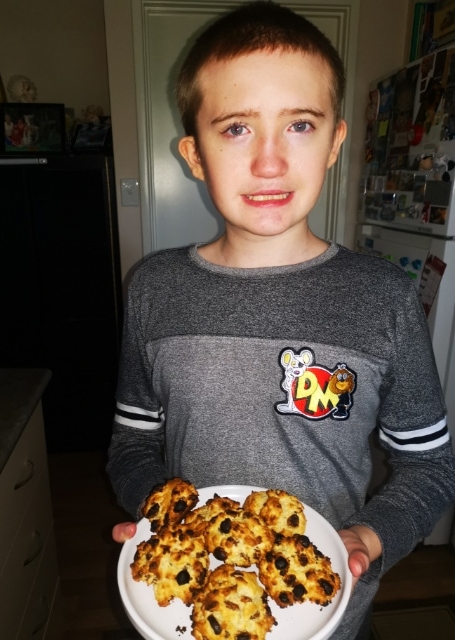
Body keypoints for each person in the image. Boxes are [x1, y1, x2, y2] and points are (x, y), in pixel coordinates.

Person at [107, 2, 455, 638]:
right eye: (236, 128)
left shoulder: (383, 299)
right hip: (185, 614)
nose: (269, 161)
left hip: (330, 614)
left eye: (299, 125)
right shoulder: (153, 289)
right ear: (194, 153)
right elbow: (131, 443)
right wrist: (157, 514)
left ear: (334, 142)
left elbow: (431, 468)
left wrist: (368, 539)